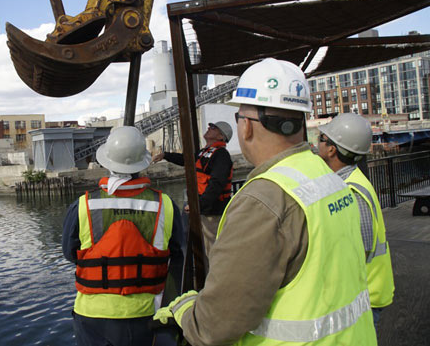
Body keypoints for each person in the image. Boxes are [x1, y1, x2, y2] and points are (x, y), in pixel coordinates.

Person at [153, 58, 377, 345]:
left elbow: (213, 327)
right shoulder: (328, 176)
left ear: (246, 127)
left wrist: (184, 309)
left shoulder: (263, 201)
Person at [62, 126, 184, 346]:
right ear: (142, 163)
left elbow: (70, 254)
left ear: (107, 162)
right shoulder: (165, 205)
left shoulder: (83, 205)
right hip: (147, 314)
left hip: (92, 317)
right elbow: (178, 255)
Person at [317, 113, 395, 331]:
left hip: (365, 296)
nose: (317, 143)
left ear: (332, 149)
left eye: (321, 139)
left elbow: (360, 250)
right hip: (363, 293)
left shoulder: (351, 191)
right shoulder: (350, 181)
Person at [152, 121, 233, 257]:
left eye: (213, 127)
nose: (209, 128)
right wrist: (165, 155)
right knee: (191, 241)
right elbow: (186, 159)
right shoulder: (205, 152)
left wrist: (199, 205)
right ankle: (195, 270)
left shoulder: (221, 155)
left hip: (211, 212)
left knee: (211, 249)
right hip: (198, 207)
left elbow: (217, 184)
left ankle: (212, 276)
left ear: (221, 136)